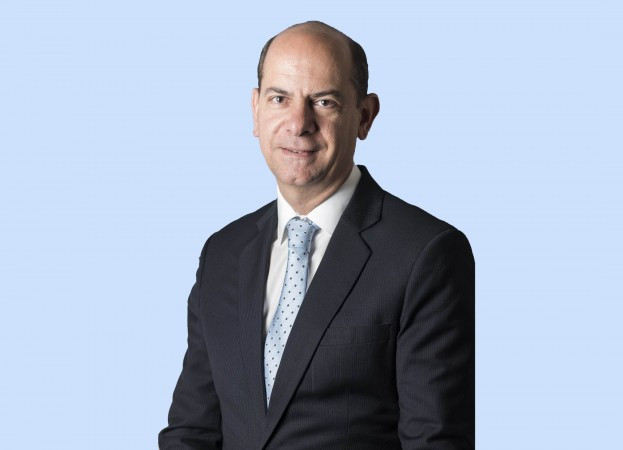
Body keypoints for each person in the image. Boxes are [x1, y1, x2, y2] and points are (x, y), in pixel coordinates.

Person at [159, 21, 474, 450]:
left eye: (324, 102)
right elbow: (191, 432)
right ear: (255, 110)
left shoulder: (425, 253)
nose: (299, 123)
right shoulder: (222, 253)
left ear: (365, 116)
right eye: (279, 98)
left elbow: (435, 442)